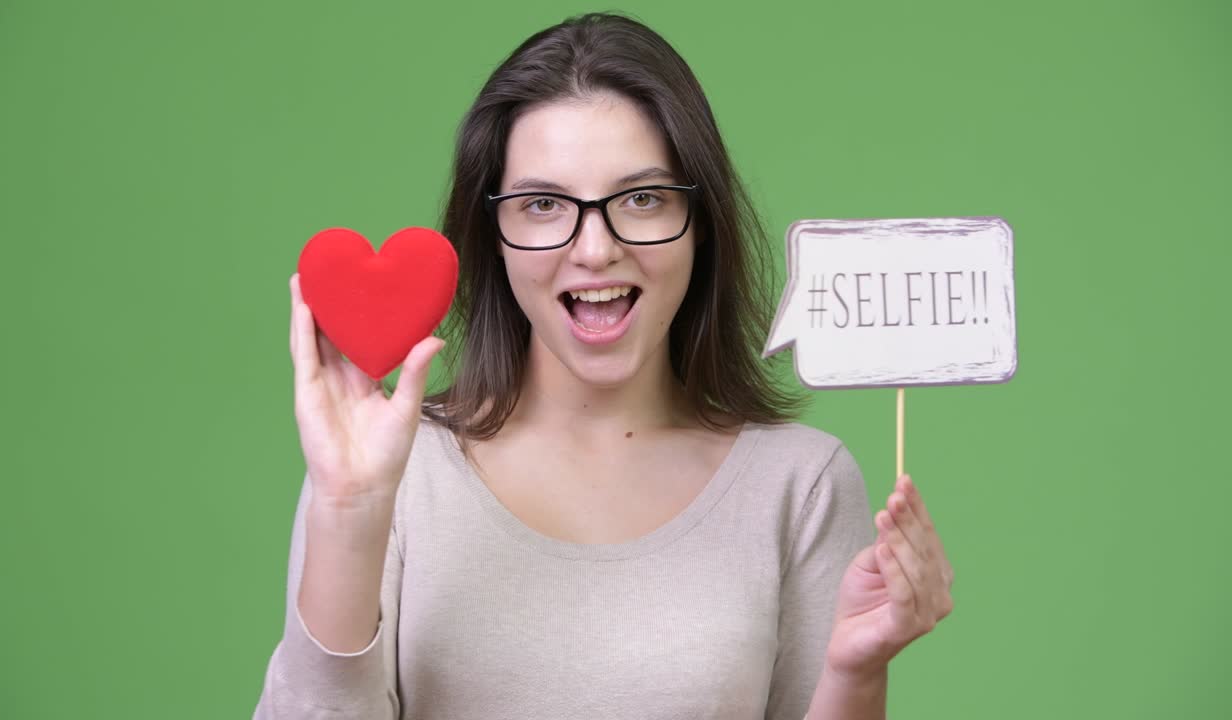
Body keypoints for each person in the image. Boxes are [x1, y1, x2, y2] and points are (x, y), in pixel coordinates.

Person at [254, 12, 953, 720]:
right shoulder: (392, 469)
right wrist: (350, 509)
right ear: (493, 231)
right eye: (543, 204)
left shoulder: (799, 486)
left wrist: (857, 672)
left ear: (701, 220)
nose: (594, 249)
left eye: (642, 199)